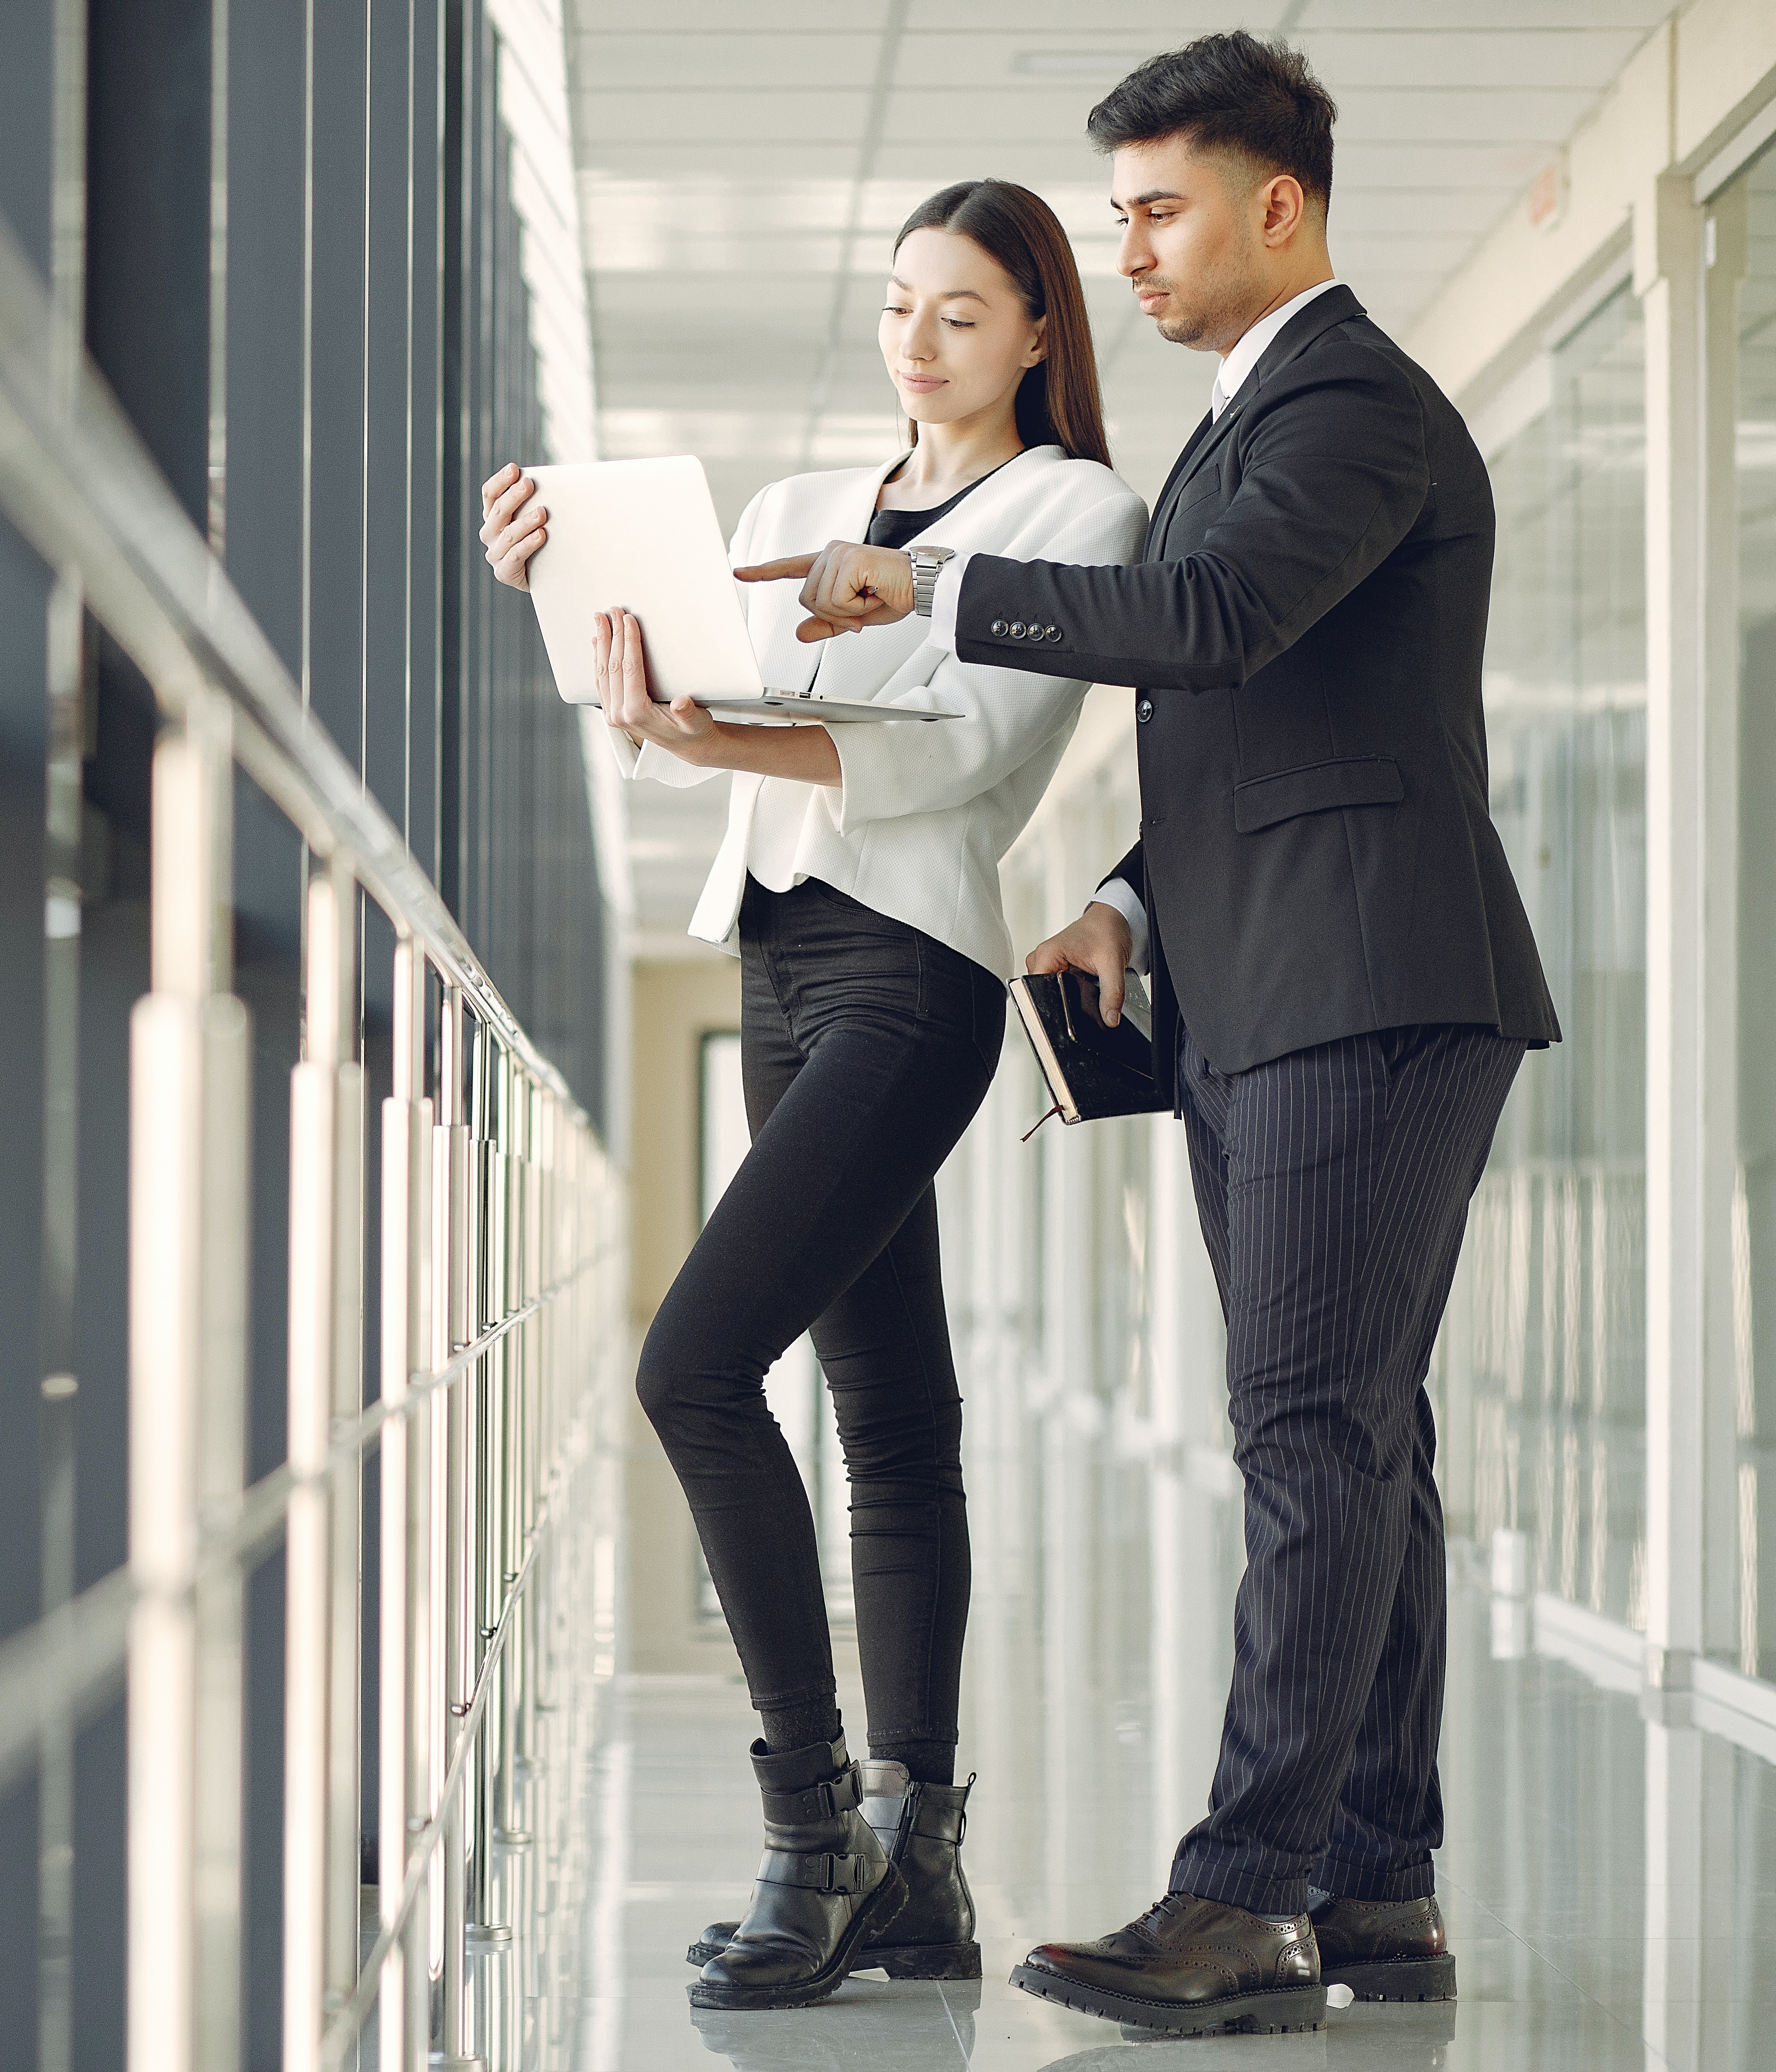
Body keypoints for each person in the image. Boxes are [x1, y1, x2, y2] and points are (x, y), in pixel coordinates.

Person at [750, 34, 1559, 2040]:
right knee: (1362, 1432)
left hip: (1365, 987)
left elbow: (1202, 627)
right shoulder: (1255, 420)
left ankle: (1246, 1898)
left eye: (1157, 208)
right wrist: (1127, 894)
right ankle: (1373, 1882)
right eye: (1111, 213)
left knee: (1314, 1428)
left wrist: (928, 579)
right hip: (1286, 974)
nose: (1127, 247)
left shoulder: (1354, 400)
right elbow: (1259, 712)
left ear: (1277, 206)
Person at [479, 177, 1146, 2011]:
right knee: (891, 1410)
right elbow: (683, 700)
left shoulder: (1075, 511)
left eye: (959, 311)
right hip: (777, 962)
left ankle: (809, 1827)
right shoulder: (787, 511)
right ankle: (918, 1868)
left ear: (1034, 333)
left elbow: (966, 755)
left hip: (913, 974)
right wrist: (567, 596)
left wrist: (722, 729)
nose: (918, 342)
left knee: (690, 1364)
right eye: (897, 306)